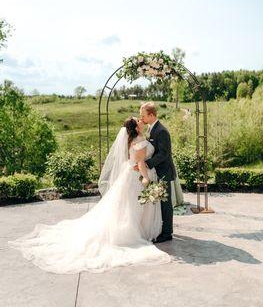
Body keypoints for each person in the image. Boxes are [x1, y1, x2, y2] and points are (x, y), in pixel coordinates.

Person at [7, 117, 173, 274]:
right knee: (133, 206)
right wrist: (145, 178)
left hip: (128, 174)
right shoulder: (140, 140)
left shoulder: (135, 139)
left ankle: (140, 229)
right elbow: (140, 163)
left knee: (128, 206)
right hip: (137, 176)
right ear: (136, 128)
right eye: (138, 120)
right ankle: (135, 232)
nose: (141, 119)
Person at [139, 102, 176, 243]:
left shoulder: (161, 131)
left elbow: (164, 154)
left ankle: (167, 233)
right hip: (156, 171)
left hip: (164, 171)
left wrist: (147, 164)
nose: (141, 118)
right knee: (158, 202)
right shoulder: (151, 129)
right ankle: (161, 228)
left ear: (152, 115)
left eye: (143, 115)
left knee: (166, 204)